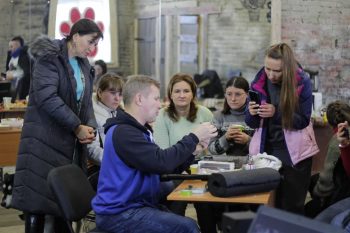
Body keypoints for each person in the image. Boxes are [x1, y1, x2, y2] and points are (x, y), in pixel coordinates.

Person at [91, 75, 218, 233]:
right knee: (188, 228)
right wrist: (193, 137)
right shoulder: (124, 132)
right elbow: (162, 162)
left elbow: (162, 168)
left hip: (135, 205)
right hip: (119, 213)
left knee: (187, 223)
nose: (160, 105)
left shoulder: (138, 130)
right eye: (156, 99)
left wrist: (192, 151)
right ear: (139, 99)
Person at [12, 18, 103, 233]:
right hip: (44, 140)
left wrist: (88, 128)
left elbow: (85, 103)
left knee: (62, 202)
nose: (92, 48)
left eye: (96, 44)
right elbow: (47, 97)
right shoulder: (49, 58)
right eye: (90, 42)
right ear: (75, 35)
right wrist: (76, 127)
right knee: (38, 203)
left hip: (68, 142)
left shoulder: (83, 64)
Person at [246, 42, 319, 215]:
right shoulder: (258, 81)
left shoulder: (302, 82)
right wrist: (251, 114)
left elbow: (302, 121)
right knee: (261, 207)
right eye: (267, 68)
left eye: (277, 71)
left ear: (287, 67)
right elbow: (252, 124)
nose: (271, 75)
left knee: (290, 209)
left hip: (294, 156)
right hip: (265, 153)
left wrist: (275, 113)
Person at [153, 73, 213, 216]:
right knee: (177, 203)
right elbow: (164, 152)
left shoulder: (204, 113)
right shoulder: (161, 115)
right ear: (170, 95)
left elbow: (213, 148)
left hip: (201, 169)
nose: (182, 95)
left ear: (193, 93)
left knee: (207, 205)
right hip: (174, 169)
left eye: (186, 91)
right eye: (177, 91)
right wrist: (181, 172)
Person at [305, 101, 350, 218]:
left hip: (341, 194)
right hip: (344, 189)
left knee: (308, 208)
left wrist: (316, 193)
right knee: (314, 178)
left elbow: (327, 182)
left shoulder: (336, 142)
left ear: (330, 123)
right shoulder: (341, 139)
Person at [87, 73, 124, 190]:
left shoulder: (120, 113)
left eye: (120, 94)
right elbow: (92, 152)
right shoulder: (90, 116)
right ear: (99, 92)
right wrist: (119, 161)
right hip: (98, 170)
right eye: (112, 93)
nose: (117, 98)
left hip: (119, 167)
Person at [208, 76, 255, 162]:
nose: (233, 99)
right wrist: (226, 138)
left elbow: (266, 149)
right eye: (229, 94)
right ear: (225, 95)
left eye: (238, 94)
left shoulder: (256, 116)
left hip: (252, 165)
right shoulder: (219, 116)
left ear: (247, 95)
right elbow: (212, 150)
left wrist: (248, 141)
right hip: (226, 165)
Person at [4, 36, 31, 101]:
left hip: (20, 84)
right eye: (9, 47)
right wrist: (5, 74)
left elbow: (25, 72)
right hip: (11, 82)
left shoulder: (24, 56)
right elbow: (11, 69)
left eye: (11, 47)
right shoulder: (12, 56)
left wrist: (12, 76)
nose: (9, 49)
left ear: (18, 46)